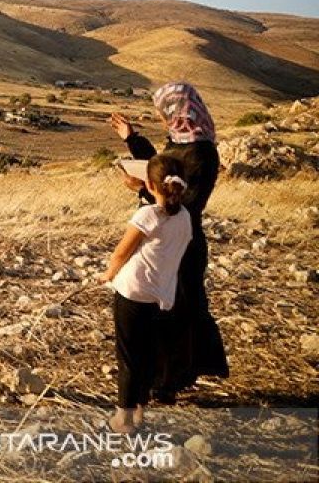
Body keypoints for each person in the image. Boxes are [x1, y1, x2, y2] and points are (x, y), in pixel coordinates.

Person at [108, 82, 229, 402]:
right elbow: (160, 169)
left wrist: (142, 190)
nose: (162, 120)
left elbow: (183, 204)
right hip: (161, 244)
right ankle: (159, 380)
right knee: (159, 313)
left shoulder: (201, 152)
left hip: (179, 247)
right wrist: (132, 139)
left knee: (176, 314)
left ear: (179, 113)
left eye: (165, 114)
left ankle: (169, 382)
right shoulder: (181, 143)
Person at [99, 155, 194, 433]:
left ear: (151, 185)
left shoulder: (147, 215)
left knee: (128, 355)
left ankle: (124, 419)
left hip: (132, 291)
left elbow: (121, 252)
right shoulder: (186, 218)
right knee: (148, 354)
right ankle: (140, 410)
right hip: (161, 294)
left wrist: (108, 274)